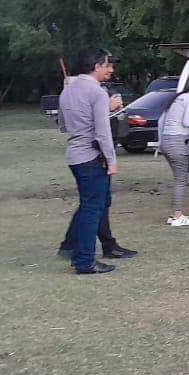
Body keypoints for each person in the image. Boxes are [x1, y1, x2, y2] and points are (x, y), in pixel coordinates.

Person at [56, 48, 130, 274]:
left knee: (93, 203)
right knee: (92, 208)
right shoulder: (97, 92)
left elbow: (63, 125)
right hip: (91, 157)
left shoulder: (67, 90)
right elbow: (102, 132)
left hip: (75, 156)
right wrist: (111, 160)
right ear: (97, 66)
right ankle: (84, 260)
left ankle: (74, 248)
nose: (111, 70)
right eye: (108, 65)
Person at [160, 80, 189, 226]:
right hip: (177, 142)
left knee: (178, 180)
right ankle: (178, 216)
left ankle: (174, 214)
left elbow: (161, 121)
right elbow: (187, 122)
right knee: (181, 180)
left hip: (166, 141)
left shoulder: (176, 99)